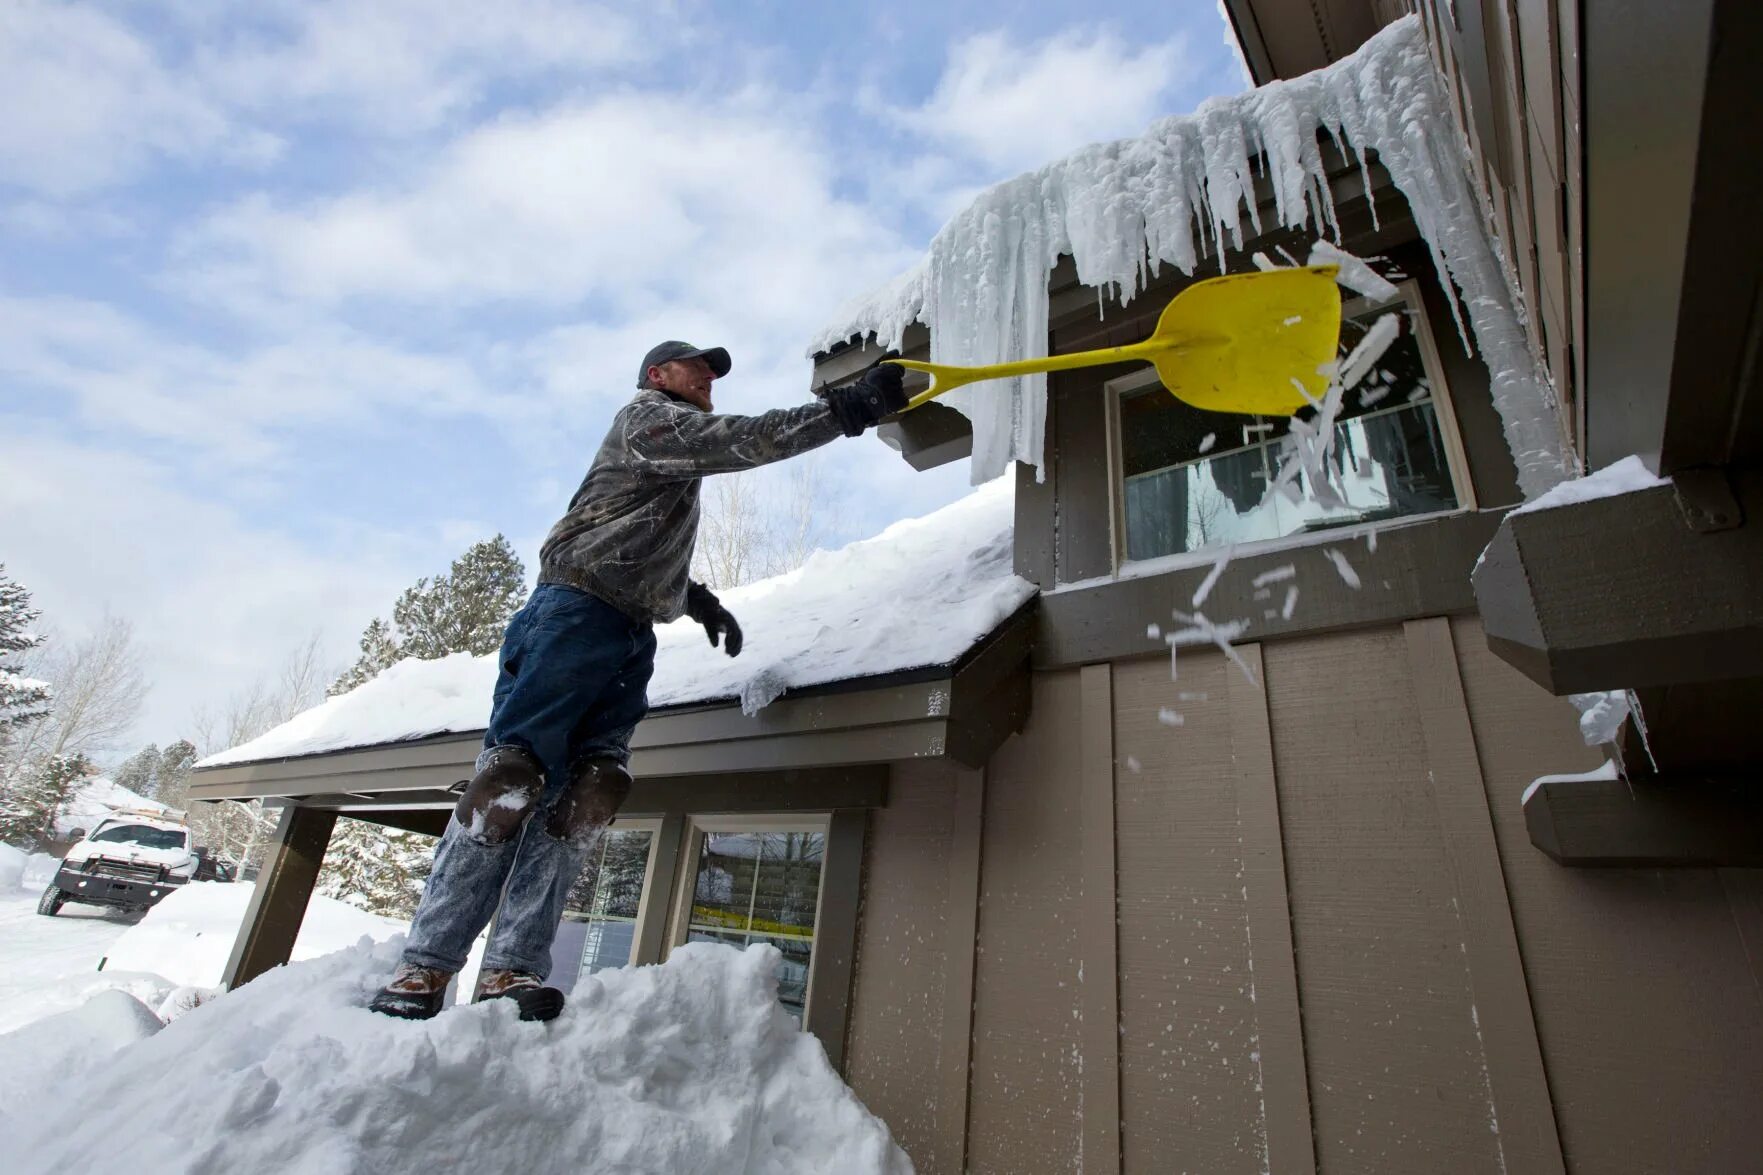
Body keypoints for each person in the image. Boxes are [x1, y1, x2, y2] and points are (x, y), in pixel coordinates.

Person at [369, 340, 907, 1021]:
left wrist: (694, 599)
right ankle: (424, 965)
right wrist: (846, 410)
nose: (710, 377)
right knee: (511, 781)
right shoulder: (648, 419)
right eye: (698, 366)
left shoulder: (667, 449)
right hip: (572, 615)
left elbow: (632, 542)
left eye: (714, 371)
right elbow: (743, 440)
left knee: (581, 802)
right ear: (658, 375)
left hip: (626, 629)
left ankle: (510, 968)